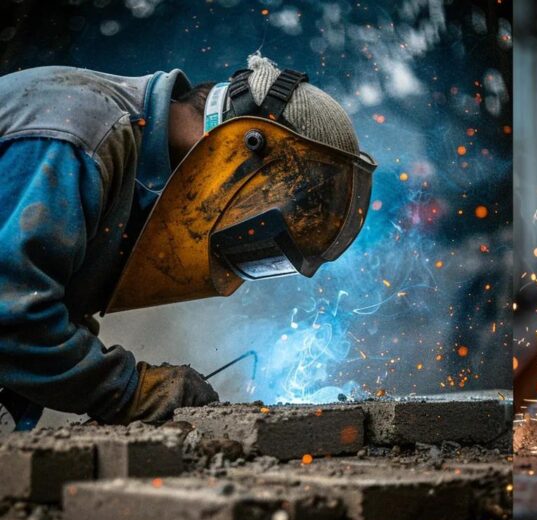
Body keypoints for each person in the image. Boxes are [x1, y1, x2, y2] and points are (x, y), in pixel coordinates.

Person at [0, 55, 376, 427]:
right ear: (242, 148)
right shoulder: (82, 138)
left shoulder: (130, 168)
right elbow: (13, 315)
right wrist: (129, 390)